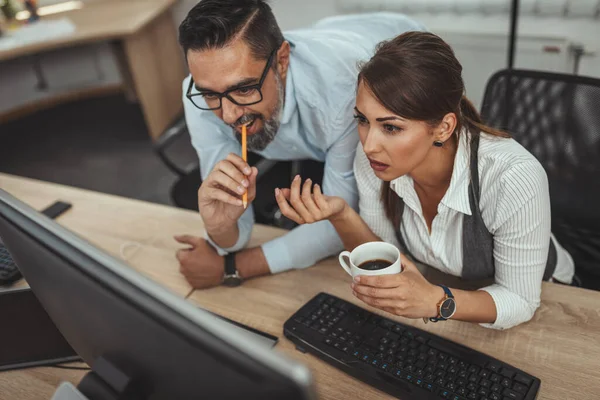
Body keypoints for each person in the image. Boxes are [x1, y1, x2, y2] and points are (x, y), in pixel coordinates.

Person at [275, 31, 575, 330]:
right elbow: (391, 266)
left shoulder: (512, 177)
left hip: (550, 306)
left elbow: (519, 300)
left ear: (444, 128)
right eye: (363, 120)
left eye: (391, 128)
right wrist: (340, 214)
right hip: (449, 293)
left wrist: (435, 301)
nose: (368, 145)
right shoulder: (376, 163)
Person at [174, 0, 425, 289]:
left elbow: (341, 218)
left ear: (282, 61)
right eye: (210, 95)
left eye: (244, 89)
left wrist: (231, 267)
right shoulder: (200, 97)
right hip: (329, 42)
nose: (228, 115)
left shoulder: (346, 96)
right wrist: (219, 226)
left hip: (392, 45)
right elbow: (232, 222)